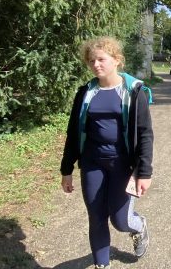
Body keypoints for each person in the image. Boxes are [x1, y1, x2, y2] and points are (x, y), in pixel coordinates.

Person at [60, 36, 154, 268]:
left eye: (101, 59)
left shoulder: (133, 92)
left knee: (120, 221)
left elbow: (144, 134)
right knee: (97, 217)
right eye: (91, 61)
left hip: (123, 165)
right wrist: (67, 169)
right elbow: (73, 132)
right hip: (92, 163)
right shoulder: (85, 93)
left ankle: (139, 227)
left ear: (117, 60)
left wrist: (144, 172)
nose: (96, 65)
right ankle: (102, 265)